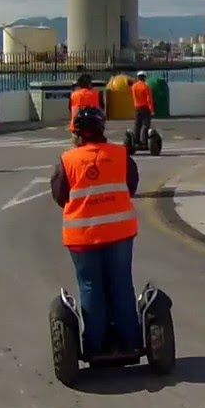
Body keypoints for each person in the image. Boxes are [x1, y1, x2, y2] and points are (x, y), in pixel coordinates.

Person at [50, 106, 142, 357]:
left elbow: (59, 195)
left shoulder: (68, 160)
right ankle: (130, 342)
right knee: (121, 284)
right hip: (119, 233)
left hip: (82, 236)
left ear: (77, 133)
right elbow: (131, 186)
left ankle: (95, 345)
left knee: (91, 286)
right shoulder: (120, 155)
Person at [131, 71, 155, 142]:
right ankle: (144, 140)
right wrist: (151, 110)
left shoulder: (134, 86)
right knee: (145, 125)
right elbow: (149, 99)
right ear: (144, 78)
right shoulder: (146, 86)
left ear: (138, 77)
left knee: (137, 125)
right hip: (145, 108)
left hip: (137, 108)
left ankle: (136, 140)